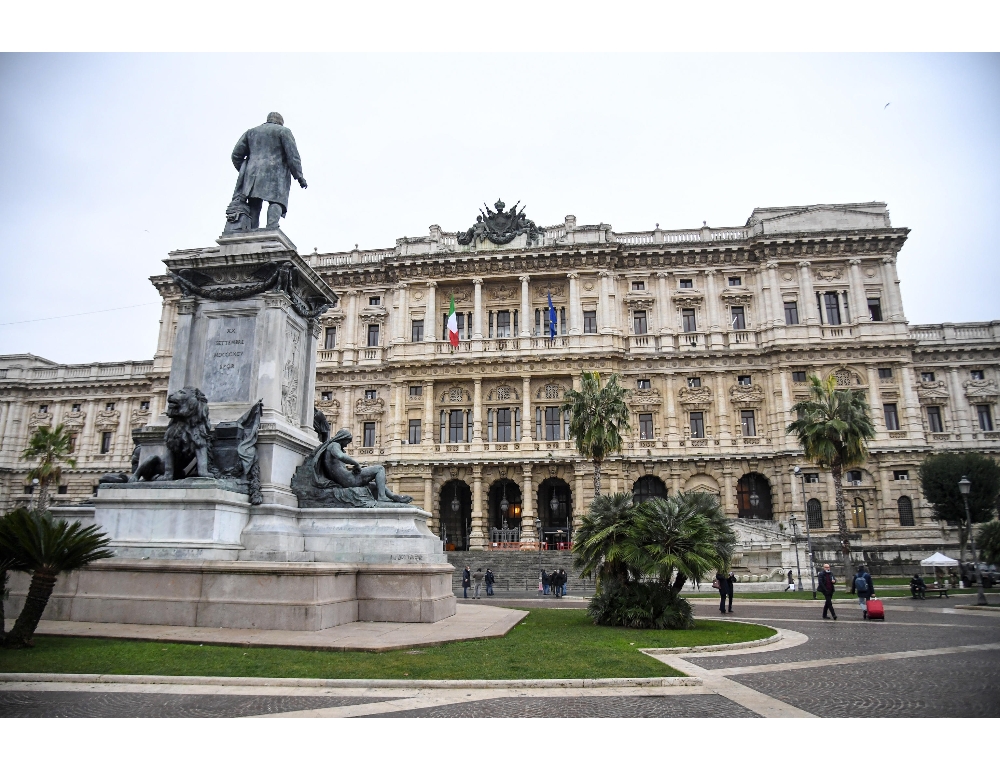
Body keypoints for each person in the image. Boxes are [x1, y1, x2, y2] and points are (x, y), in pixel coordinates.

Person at [229, 112, 307, 230]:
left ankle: (252, 230)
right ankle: (272, 227)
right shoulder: (283, 131)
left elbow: (236, 155)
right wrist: (299, 176)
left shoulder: (251, 132)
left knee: (254, 203)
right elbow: (293, 156)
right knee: (276, 200)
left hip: (252, 174)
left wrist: (245, 171)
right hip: (276, 174)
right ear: (280, 122)